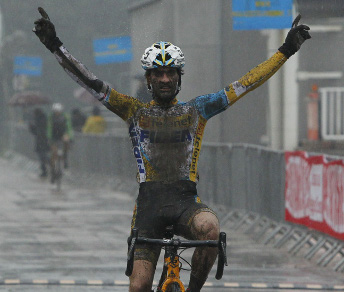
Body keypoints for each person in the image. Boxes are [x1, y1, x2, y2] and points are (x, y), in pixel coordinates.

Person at [33, 8, 310, 291]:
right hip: (149, 209)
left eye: (171, 73)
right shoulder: (132, 110)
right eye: (158, 74)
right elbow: (88, 81)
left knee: (211, 230)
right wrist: (55, 45)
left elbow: (246, 84)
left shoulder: (198, 109)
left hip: (185, 203)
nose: (165, 79)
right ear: (148, 80)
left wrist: (286, 50)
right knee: (139, 287)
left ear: (179, 77)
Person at [47, 102, 73, 181]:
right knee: (54, 153)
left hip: (62, 135)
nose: (57, 113)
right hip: (54, 137)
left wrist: (69, 137)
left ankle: (65, 160)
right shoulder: (51, 118)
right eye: (56, 111)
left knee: (66, 145)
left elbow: (69, 128)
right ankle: (52, 171)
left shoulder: (65, 117)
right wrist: (49, 138)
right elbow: (49, 128)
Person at [29, 108, 49, 177]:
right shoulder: (45, 118)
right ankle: (47, 167)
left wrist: (31, 127)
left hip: (40, 140)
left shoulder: (36, 120)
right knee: (43, 154)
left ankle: (45, 170)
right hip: (45, 139)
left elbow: (34, 131)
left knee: (42, 156)